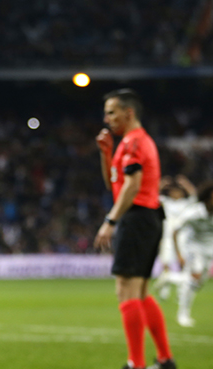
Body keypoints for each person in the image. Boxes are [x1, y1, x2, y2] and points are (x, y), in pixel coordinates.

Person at [94, 89, 176, 369]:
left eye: (112, 112)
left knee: (125, 291)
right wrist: (106, 153)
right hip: (148, 218)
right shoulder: (131, 143)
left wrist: (111, 220)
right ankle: (164, 359)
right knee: (139, 293)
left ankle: (136, 364)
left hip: (137, 218)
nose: (107, 118)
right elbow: (113, 184)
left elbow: (132, 185)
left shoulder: (134, 142)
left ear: (129, 113)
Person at [169, 181, 213, 327]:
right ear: (207, 197)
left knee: (199, 282)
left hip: (210, 248)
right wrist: (179, 255)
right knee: (195, 276)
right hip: (194, 247)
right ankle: (183, 314)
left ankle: (170, 278)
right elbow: (175, 231)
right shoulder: (194, 212)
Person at [152, 175, 197, 300]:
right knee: (166, 262)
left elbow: (195, 196)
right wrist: (161, 184)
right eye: (173, 191)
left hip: (184, 237)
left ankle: (181, 291)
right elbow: (153, 196)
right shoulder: (167, 202)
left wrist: (186, 184)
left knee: (184, 263)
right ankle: (164, 291)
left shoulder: (186, 204)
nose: (175, 193)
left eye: (178, 191)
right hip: (167, 236)